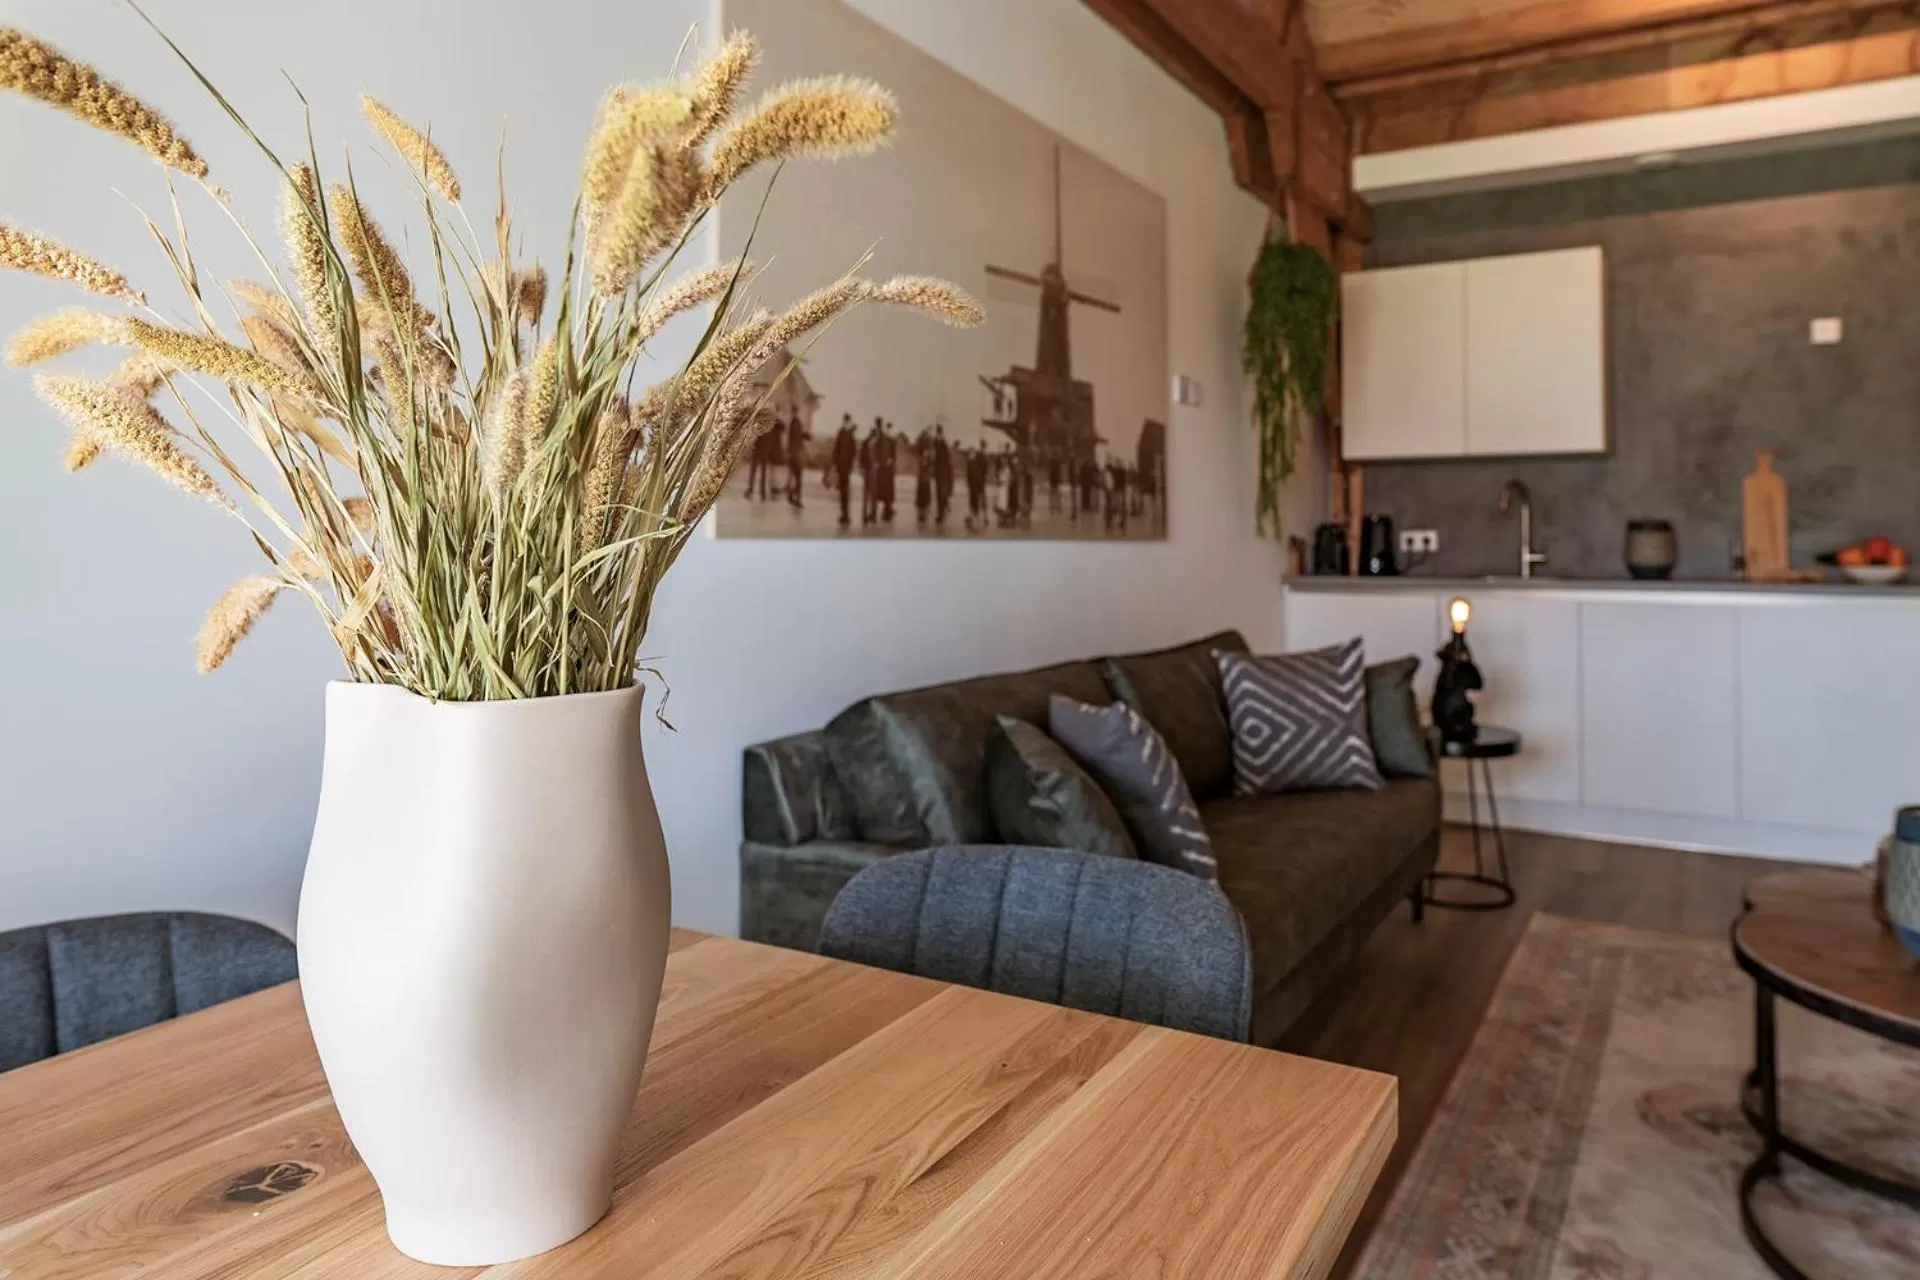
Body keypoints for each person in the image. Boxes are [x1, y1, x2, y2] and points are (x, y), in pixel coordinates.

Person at [832, 415, 857, 528]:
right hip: (840, 466)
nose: (846, 423)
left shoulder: (850, 434)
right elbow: (836, 448)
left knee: (845, 491)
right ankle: (843, 513)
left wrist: (851, 465)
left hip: (846, 467)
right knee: (842, 491)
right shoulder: (841, 432)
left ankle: (846, 514)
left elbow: (854, 451)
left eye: (847, 422)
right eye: (845, 421)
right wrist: (836, 462)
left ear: (849, 422)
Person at [860, 417, 882, 526]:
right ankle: (866, 515)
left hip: (874, 472)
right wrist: (862, 468)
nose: (874, 438)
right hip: (868, 471)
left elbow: (880, 456)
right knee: (868, 494)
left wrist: (878, 464)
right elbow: (862, 456)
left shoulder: (877, 445)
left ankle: (872, 515)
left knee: (873, 494)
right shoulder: (866, 443)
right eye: (873, 435)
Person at [931, 425, 954, 527]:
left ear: (941, 433)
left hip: (943, 473)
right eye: (937, 434)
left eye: (939, 433)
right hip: (939, 472)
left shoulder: (943, 444)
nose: (938, 435)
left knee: (940, 493)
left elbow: (946, 459)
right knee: (939, 493)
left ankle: (941, 514)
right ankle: (944, 507)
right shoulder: (937, 442)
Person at [876, 421, 898, 523]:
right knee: (884, 489)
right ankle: (886, 510)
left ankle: (888, 509)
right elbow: (877, 452)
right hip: (883, 469)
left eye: (890, 429)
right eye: (887, 429)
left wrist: (891, 460)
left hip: (889, 470)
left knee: (889, 490)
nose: (889, 431)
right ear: (885, 430)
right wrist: (881, 462)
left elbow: (894, 455)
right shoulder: (881, 440)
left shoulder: (892, 441)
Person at [785, 413, 808, 509]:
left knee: (796, 477)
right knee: (798, 478)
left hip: (793, 454)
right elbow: (799, 436)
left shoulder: (793, 424)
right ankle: (796, 498)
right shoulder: (796, 424)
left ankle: (792, 495)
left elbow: (794, 437)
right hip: (797, 454)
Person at [964, 442, 988, 530]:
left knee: (977, 503)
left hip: (978, 486)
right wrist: (968, 484)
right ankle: (974, 520)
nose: (971, 455)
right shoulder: (970, 463)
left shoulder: (976, 462)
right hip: (973, 487)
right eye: (970, 454)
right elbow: (968, 475)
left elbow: (981, 473)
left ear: (974, 454)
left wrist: (980, 484)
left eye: (972, 453)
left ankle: (977, 520)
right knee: (973, 503)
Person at [913, 427, 932, 527]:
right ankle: (922, 503)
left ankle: (924, 503)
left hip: (925, 470)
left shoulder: (929, 441)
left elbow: (931, 453)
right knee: (922, 485)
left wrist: (927, 455)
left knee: (924, 484)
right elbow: (917, 447)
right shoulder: (921, 441)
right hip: (923, 470)